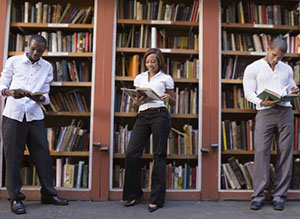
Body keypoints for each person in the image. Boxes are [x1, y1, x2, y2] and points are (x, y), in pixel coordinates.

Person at [0, 35, 68, 215]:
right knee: (13, 158)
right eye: (33, 49)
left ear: (44, 50)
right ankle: (15, 198)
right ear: (28, 46)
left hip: (35, 115)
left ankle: (48, 194)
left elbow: (46, 92)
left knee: (43, 155)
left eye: (40, 50)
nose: (36, 53)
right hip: (13, 115)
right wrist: (9, 92)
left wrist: (41, 98)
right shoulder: (13, 61)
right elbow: (2, 83)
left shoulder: (47, 66)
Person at [243, 38, 299, 211]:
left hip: (285, 112)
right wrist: (261, 103)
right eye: (274, 55)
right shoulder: (253, 68)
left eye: (280, 57)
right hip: (265, 112)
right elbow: (248, 93)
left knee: (286, 152)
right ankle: (258, 194)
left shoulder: (287, 69)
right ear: (268, 49)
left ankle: (279, 195)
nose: (276, 60)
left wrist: (295, 90)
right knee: (261, 151)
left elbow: (292, 87)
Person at [122, 48, 175, 213]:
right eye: (148, 61)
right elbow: (136, 104)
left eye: (154, 61)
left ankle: (156, 199)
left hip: (160, 114)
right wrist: (137, 100)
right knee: (131, 153)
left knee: (159, 155)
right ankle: (133, 194)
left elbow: (173, 101)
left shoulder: (166, 78)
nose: (150, 64)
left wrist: (168, 98)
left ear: (160, 62)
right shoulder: (139, 77)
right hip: (143, 115)